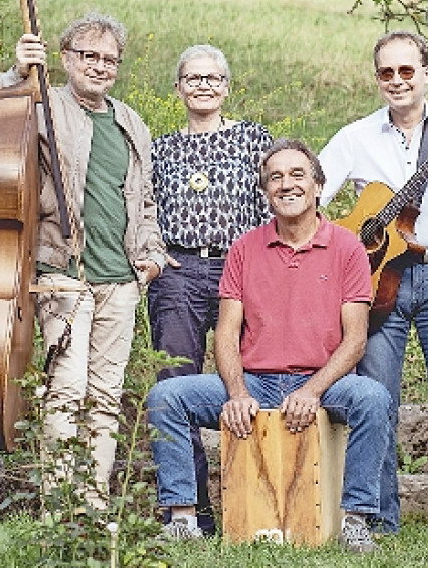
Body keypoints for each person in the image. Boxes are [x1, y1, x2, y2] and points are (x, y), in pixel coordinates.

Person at [0, 12, 166, 509]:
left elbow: (145, 200)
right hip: (65, 275)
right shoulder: (42, 103)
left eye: (109, 59)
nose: (98, 66)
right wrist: (14, 75)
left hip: (121, 279)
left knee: (106, 399)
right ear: (66, 58)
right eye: (88, 56)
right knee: (65, 392)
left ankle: (91, 506)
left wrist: (151, 256)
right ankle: (60, 505)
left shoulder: (130, 121)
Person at [145, 138, 391, 554]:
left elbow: (355, 340)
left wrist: (312, 390)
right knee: (166, 396)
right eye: (275, 177)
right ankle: (182, 517)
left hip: (324, 383)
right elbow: (226, 333)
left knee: (373, 397)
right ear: (265, 191)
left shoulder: (347, 246)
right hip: (256, 381)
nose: (287, 184)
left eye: (298, 175)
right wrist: (237, 393)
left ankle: (355, 520)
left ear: (317, 186)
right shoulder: (244, 248)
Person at [317, 31, 428, 544]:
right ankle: (381, 520)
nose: (397, 81)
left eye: (406, 71)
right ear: (378, 79)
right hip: (375, 284)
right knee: (378, 400)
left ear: (427, 74)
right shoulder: (356, 136)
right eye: (386, 73)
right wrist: (345, 243)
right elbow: (310, 193)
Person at [147, 44, 273, 535]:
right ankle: (189, 511)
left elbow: (271, 208)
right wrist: (156, 253)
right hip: (178, 274)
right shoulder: (161, 149)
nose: (204, 85)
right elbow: (144, 208)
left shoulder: (252, 139)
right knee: (175, 385)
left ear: (227, 87)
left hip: (239, 273)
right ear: (178, 87)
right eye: (193, 78)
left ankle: (254, 504)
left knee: (253, 379)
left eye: (213, 78)